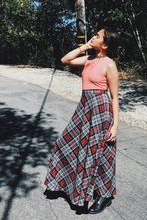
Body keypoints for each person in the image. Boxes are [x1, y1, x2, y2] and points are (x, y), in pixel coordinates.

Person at [44, 28, 119, 214]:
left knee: (98, 153)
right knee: (65, 143)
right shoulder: (89, 59)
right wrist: (85, 46)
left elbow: (115, 97)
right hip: (84, 108)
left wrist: (115, 125)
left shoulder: (110, 65)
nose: (93, 36)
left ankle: (105, 194)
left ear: (105, 44)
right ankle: (62, 183)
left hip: (101, 110)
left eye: (97, 36)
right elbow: (65, 60)